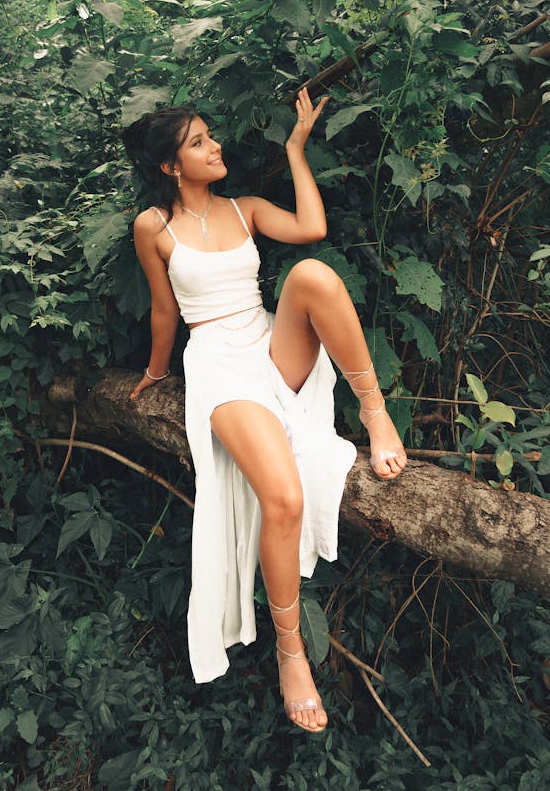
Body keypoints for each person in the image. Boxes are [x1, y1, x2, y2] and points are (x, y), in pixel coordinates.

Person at [123, 88, 406, 733]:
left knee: (312, 273)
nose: (214, 145)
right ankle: (290, 649)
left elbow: (312, 228)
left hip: (267, 340)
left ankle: (374, 411)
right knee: (282, 498)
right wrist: (154, 372)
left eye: (208, 135)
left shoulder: (245, 209)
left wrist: (295, 149)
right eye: (197, 142)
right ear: (171, 166)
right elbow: (165, 312)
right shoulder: (154, 227)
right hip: (220, 365)